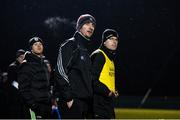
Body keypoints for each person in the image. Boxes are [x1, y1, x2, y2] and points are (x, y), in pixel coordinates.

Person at [54, 14, 96, 119]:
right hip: (73, 101)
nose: (91, 27)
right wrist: (69, 98)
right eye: (87, 24)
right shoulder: (70, 44)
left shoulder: (85, 50)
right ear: (79, 26)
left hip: (84, 103)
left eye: (93, 25)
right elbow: (60, 71)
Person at [18, 37, 52, 119]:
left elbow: (47, 85)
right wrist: (34, 105)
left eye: (40, 44)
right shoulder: (26, 65)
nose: (39, 46)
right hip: (34, 108)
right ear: (31, 48)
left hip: (46, 106)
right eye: (35, 44)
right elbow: (23, 89)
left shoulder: (44, 64)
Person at [91, 29, 119, 119]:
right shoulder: (99, 55)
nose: (114, 42)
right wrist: (107, 92)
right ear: (104, 42)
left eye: (116, 39)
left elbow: (106, 79)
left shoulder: (110, 59)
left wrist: (113, 90)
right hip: (98, 104)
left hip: (106, 103)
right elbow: (92, 80)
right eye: (111, 39)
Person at [4, 49, 25, 118]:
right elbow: (12, 81)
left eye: (24, 57)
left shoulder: (24, 67)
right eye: (21, 57)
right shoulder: (12, 67)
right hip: (14, 98)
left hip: (22, 98)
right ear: (17, 57)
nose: (23, 58)